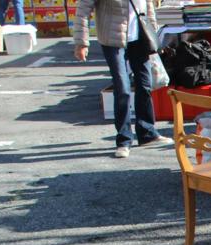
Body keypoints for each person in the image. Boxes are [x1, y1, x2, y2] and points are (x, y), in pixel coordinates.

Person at [73, 0, 170, 158]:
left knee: (145, 85)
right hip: (112, 40)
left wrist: (153, 32)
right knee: (122, 89)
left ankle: (147, 133)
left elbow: (148, 7)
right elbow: (83, 9)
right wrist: (81, 43)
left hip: (140, 38)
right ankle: (124, 140)